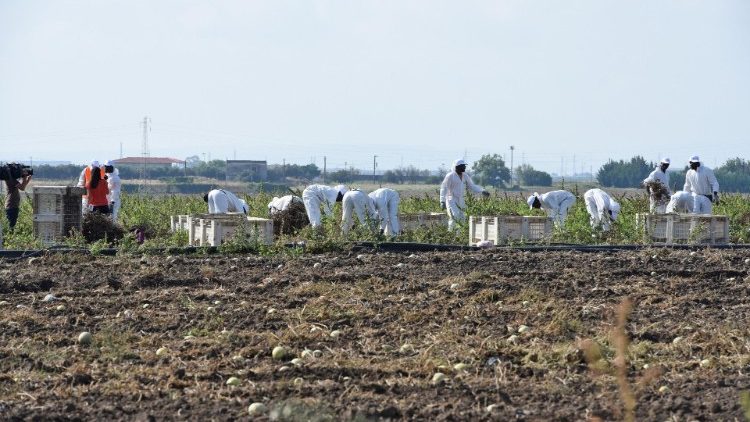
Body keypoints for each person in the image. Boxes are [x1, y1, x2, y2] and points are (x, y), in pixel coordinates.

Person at [439, 159, 489, 229]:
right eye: (463, 166)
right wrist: (442, 201)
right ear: (457, 167)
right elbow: (444, 188)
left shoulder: (465, 176)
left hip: (461, 199)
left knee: (462, 217)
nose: (464, 167)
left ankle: (459, 235)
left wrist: (482, 191)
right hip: (452, 199)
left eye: (464, 166)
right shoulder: (450, 176)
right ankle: (451, 233)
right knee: (454, 216)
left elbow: (472, 186)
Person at [3, 166, 32, 231]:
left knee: (11, 226)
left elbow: (22, 187)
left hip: (12, 206)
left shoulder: (10, 179)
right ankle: (8, 239)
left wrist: (27, 180)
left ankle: (9, 238)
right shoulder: (11, 180)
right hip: (12, 206)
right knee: (11, 227)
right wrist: (24, 178)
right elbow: (22, 188)